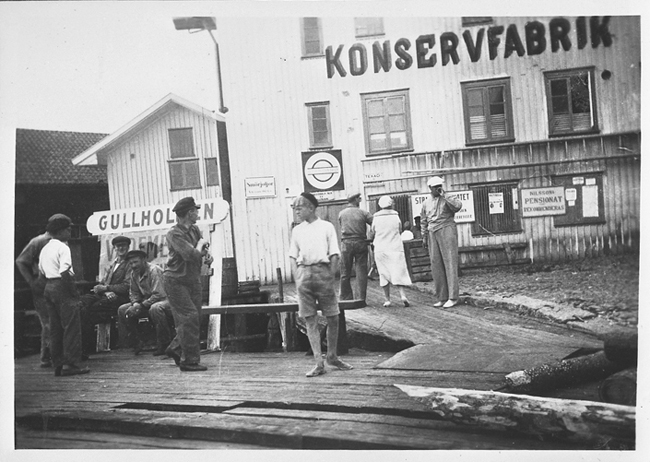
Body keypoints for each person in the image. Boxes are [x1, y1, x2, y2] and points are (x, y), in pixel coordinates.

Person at [290, 192, 353, 377]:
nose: (297, 211)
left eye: (299, 207)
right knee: (310, 319)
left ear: (311, 207)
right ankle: (319, 362)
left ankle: (332, 356)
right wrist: (297, 277)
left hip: (322, 272)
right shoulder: (297, 230)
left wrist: (330, 275)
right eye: (294, 208)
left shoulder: (326, 226)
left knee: (333, 316)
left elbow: (335, 253)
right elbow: (292, 256)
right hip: (304, 274)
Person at [164, 197, 213, 372]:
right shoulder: (174, 234)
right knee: (189, 316)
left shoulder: (194, 230)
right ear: (189, 213)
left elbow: (201, 253)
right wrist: (200, 246)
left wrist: (207, 255)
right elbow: (190, 254)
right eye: (195, 211)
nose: (197, 214)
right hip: (176, 280)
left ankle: (176, 348)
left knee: (195, 316)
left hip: (192, 279)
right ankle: (189, 361)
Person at [38, 214, 89, 376]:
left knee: (55, 328)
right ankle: (71, 364)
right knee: (71, 327)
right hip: (62, 285)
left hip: (49, 286)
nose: (69, 232)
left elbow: (41, 272)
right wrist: (74, 295)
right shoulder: (63, 247)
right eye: (67, 229)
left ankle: (58, 364)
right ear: (59, 231)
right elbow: (65, 271)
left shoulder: (45, 249)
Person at [15, 214, 67, 367]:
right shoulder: (38, 242)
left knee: (57, 320)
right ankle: (48, 357)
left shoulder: (60, 242)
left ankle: (51, 354)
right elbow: (21, 261)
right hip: (42, 283)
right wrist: (31, 281)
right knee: (48, 321)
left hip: (57, 282)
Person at [79, 235, 131, 354]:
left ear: (128, 247)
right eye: (118, 246)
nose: (121, 248)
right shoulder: (113, 264)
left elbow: (126, 286)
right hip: (107, 295)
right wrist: (105, 290)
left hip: (120, 298)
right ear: (114, 248)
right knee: (82, 302)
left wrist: (107, 288)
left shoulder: (129, 264)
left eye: (124, 246)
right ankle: (82, 345)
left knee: (90, 309)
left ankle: (86, 347)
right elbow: (103, 283)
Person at [117, 249, 174, 356]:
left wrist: (141, 306)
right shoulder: (134, 274)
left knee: (155, 308)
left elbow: (159, 294)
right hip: (148, 301)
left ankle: (164, 344)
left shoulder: (154, 270)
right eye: (131, 263)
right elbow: (133, 292)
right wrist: (135, 304)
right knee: (123, 309)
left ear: (143, 260)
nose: (133, 265)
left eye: (136, 262)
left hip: (166, 300)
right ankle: (137, 342)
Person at [420, 176, 463, 308]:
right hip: (432, 232)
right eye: (435, 187)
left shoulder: (448, 198)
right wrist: (424, 236)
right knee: (436, 264)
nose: (438, 188)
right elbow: (423, 220)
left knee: (450, 262)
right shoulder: (426, 203)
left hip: (446, 229)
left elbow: (457, 207)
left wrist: (445, 196)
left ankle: (453, 297)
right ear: (430, 188)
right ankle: (442, 297)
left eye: (440, 185)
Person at [370, 196, 412, 307]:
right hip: (395, 248)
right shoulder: (396, 216)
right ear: (390, 204)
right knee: (398, 272)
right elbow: (400, 230)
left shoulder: (376, 218)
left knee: (383, 274)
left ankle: (387, 299)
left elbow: (372, 232)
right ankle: (403, 295)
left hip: (381, 249)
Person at [338, 192, 373, 301]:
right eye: (359, 198)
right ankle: (360, 298)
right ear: (356, 199)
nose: (360, 200)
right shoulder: (364, 213)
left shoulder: (342, 213)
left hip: (346, 243)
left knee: (345, 272)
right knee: (361, 271)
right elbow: (375, 224)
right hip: (360, 242)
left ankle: (345, 298)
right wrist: (371, 237)